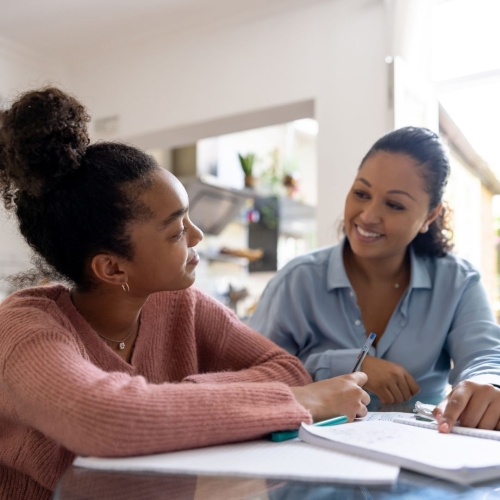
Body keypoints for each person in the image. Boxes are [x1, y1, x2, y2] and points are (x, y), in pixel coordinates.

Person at [0, 88, 370, 500]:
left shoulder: (177, 302)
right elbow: (106, 420)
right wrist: (300, 402)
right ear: (112, 267)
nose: (196, 236)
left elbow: (286, 370)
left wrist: (171, 402)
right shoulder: (25, 328)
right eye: (176, 231)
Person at [250, 126, 500, 433]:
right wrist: (348, 365)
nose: (368, 215)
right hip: (310, 455)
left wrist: (487, 385)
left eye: (394, 205)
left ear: (430, 217)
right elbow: (253, 377)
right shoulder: (297, 281)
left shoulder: (459, 283)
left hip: (421, 458)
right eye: (361, 194)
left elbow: (486, 357)